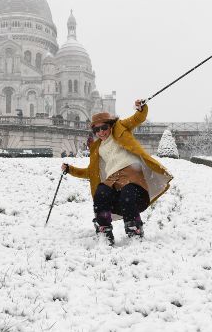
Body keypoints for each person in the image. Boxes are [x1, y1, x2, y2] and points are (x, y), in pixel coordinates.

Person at [61, 99, 174, 245]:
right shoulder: (97, 148)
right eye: (96, 130)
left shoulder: (120, 128)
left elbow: (137, 118)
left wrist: (141, 108)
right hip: (112, 180)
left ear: (110, 125)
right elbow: (91, 172)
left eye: (104, 127)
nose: (101, 132)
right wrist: (70, 170)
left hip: (132, 174)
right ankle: (104, 228)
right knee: (101, 191)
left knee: (128, 191)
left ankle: (134, 228)